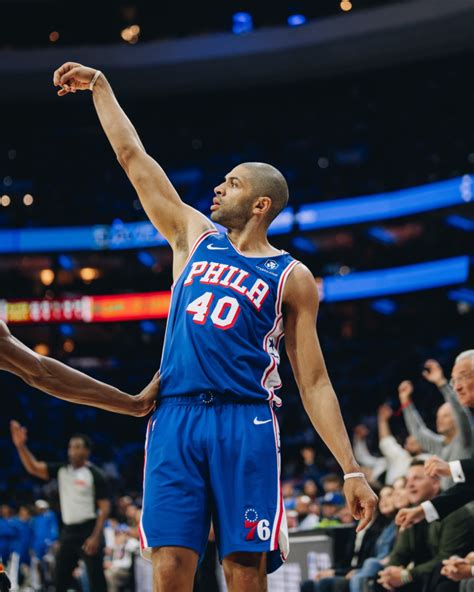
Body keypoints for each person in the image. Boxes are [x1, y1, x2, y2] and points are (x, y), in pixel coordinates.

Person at [0, 61, 377, 592]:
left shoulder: (292, 276)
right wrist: (102, 90)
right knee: (170, 563)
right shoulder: (193, 237)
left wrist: (351, 468)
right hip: (174, 413)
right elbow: (134, 160)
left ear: (260, 204)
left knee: (243, 568)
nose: (218, 190)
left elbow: (313, 381)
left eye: (232, 184)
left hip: (246, 419)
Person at [10, 422, 110, 592]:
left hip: (89, 529)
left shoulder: (95, 474)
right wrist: (21, 446)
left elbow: (105, 508)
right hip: (69, 530)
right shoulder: (62, 470)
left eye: (77, 447)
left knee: (96, 580)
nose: (72, 450)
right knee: (59, 579)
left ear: (87, 451)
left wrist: (96, 536)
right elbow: (34, 468)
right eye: (71, 446)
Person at [376, 459, 474, 591]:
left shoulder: (456, 512)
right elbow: (400, 552)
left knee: (444, 584)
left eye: (417, 479)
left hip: (444, 576)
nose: (410, 485)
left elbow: (445, 559)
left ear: (435, 483)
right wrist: (388, 573)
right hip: (423, 576)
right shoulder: (412, 512)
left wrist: (406, 575)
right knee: (379, 581)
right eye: (408, 480)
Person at [398, 365, 472, 488]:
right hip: (447, 504)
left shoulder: (466, 439)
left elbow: (460, 411)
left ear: (457, 420)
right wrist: (405, 401)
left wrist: (441, 383)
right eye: (438, 417)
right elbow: (418, 432)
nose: (439, 420)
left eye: (445, 416)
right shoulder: (439, 445)